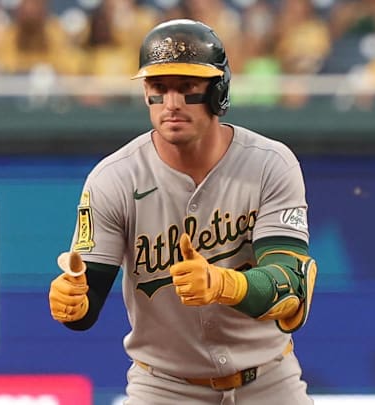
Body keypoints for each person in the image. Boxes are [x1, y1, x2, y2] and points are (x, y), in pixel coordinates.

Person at [47, 18, 318, 405]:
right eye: (159, 88)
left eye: (187, 88)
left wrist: (223, 285)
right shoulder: (114, 178)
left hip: (268, 380)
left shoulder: (270, 163)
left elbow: (291, 284)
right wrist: (71, 301)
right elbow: (85, 302)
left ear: (218, 90)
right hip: (163, 386)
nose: (171, 103)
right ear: (145, 94)